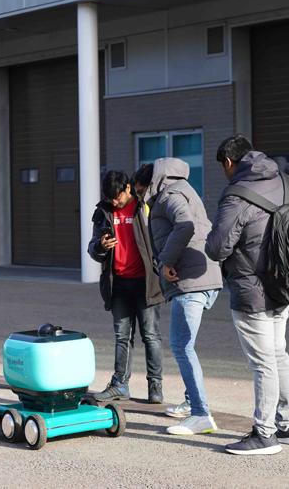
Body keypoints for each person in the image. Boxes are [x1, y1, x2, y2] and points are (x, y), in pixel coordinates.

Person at [205, 134, 289, 456]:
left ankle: (264, 434)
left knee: (263, 363)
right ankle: (288, 425)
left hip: (252, 289)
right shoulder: (287, 183)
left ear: (229, 162)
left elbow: (217, 247)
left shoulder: (237, 195)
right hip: (285, 283)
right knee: (278, 355)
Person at [133, 159, 223, 436]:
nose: (139, 197)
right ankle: (190, 401)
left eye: (139, 191)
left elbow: (185, 225)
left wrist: (166, 261)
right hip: (204, 277)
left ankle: (200, 413)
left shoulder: (168, 195)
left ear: (148, 184)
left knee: (182, 346)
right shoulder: (182, 188)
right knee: (187, 345)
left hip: (190, 279)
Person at [87, 171, 165, 404]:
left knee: (150, 335)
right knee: (122, 336)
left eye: (117, 197)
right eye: (109, 198)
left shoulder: (145, 207)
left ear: (128, 189)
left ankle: (155, 386)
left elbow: (162, 239)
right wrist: (101, 246)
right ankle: (120, 383)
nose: (114, 202)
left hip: (146, 282)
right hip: (118, 283)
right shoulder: (103, 212)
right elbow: (92, 248)